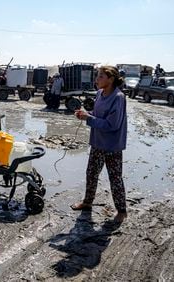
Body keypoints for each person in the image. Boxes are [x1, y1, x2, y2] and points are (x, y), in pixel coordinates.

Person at [71, 66, 128, 223]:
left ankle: (122, 211)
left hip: (112, 146)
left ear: (111, 79)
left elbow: (112, 125)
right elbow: (98, 116)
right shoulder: (99, 94)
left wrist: (88, 119)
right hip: (97, 143)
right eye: (97, 76)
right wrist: (87, 115)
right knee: (91, 174)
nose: (97, 80)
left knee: (115, 178)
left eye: (101, 76)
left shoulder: (118, 97)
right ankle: (87, 202)